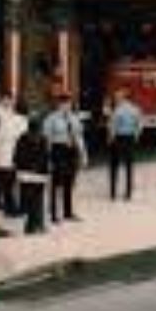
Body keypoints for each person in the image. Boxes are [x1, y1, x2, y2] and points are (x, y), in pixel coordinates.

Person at [42, 93, 88, 223]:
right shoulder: (51, 119)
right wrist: (48, 157)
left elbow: (79, 137)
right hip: (58, 150)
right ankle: (54, 214)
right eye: (64, 104)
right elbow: (47, 139)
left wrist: (84, 154)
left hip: (71, 152)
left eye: (69, 104)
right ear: (59, 104)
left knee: (69, 182)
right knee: (57, 183)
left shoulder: (74, 118)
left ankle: (68, 212)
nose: (67, 106)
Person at [14, 111, 50, 235]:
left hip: (26, 173)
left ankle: (33, 225)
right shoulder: (42, 139)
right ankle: (36, 224)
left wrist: (21, 169)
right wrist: (45, 172)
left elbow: (17, 157)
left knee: (30, 200)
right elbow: (45, 157)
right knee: (38, 199)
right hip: (38, 173)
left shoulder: (22, 138)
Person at [105, 88, 142, 201]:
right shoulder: (135, 109)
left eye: (117, 97)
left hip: (118, 139)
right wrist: (136, 136)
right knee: (129, 166)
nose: (116, 99)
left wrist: (110, 139)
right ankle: (128, 193)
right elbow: (140, 124)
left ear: (121, 98)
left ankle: (113, 193)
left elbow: (113, 127)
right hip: (130, 138)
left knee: (114, 166)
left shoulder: (117, 111)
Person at [0, 96, 27, 216]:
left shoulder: (6, 121)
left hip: (5, 156)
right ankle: (13, 208)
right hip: (13, 156)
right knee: (12, 183)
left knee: (7, 184)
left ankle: (10, 208)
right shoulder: (22, 122)